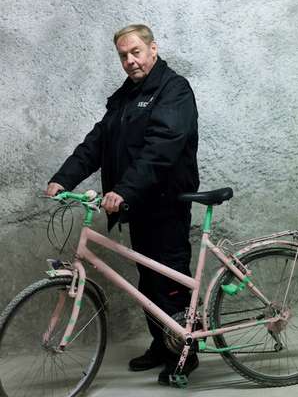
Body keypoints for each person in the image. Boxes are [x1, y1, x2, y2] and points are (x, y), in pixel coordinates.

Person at [46, 24, 200, 385]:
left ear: (153, 49)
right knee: (148, 281)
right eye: (123, 56)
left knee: (168, 281)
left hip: (166, 204)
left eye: (135, 52)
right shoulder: (127, 96)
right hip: (139, 205)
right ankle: (163, 343)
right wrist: (63, 178)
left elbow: (161, 147)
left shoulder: (173, 90)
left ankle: (184, 354)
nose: (130, 61)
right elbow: (97, 143)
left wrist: (124, 190)